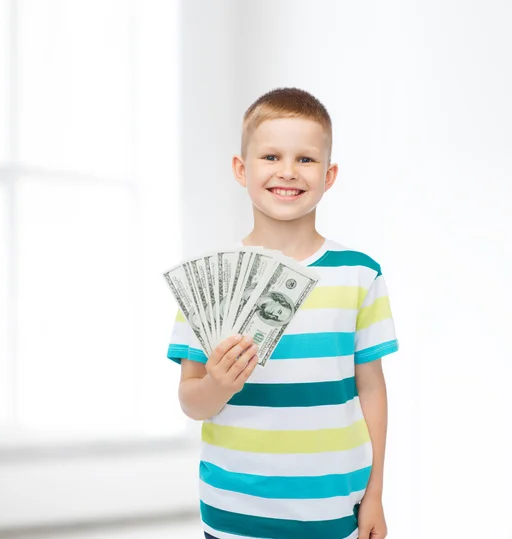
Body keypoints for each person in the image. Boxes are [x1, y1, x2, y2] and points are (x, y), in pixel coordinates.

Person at [166, 87, 399, 539]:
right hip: (234, 508)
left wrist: (374, 495)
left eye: (305, 159)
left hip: (334, 508)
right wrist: (216, 385)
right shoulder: (210, 281)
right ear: (241, 169)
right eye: (270, 157)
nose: (287, 172)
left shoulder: (359, 274)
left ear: (329, 175)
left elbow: (372, 389)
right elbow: (190, 402)